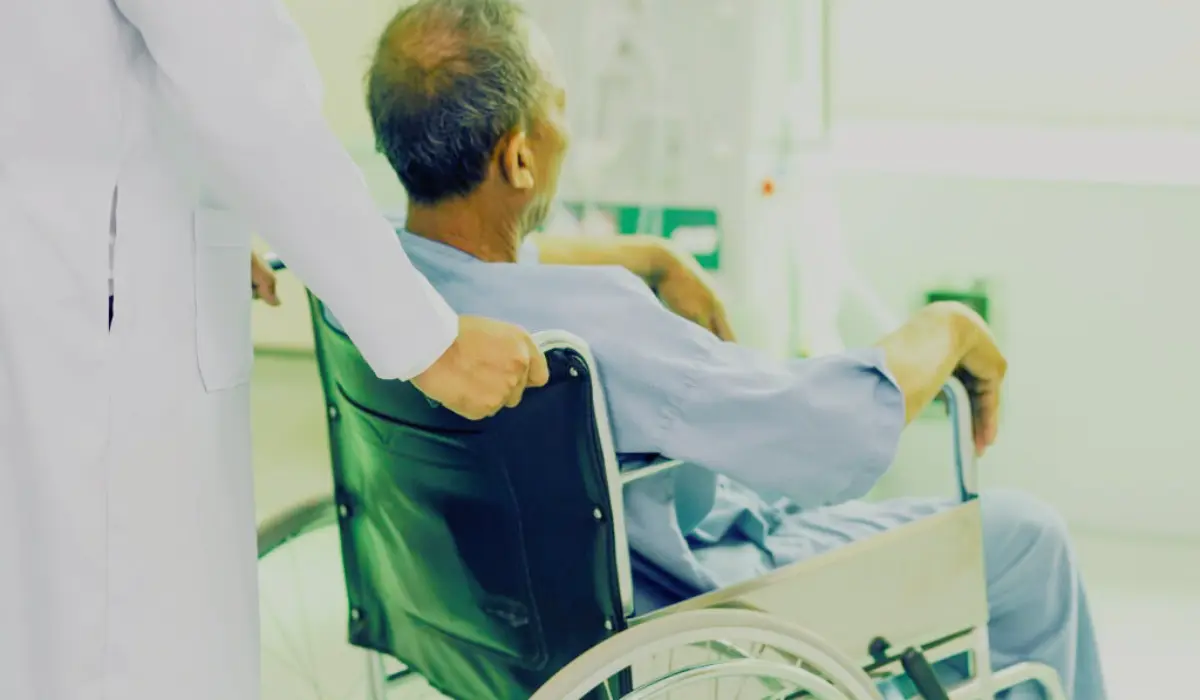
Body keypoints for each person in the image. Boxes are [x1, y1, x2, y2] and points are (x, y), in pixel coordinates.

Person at [347, 1, 1110, 697]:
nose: (568, 131)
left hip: (490, 619)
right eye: (560, 108)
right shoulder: (602, 328)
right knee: (1027, 540)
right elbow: (828, 435)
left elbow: (481, 261)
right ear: (519, 158)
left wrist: (647, 256)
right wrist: (947, 326)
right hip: (690, 609)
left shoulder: (371, 281)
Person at [0, 0, 552, 698]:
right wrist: (426, 341)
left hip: (69, 276)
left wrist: (194, 218)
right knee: (115, 644)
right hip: (91, 316)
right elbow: (244, 85)